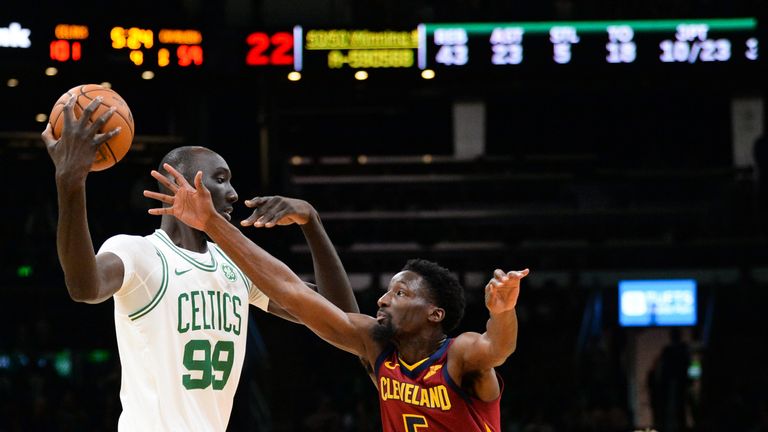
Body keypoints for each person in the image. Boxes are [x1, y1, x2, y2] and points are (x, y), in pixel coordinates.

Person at [42, 95, 358, 431]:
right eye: (220, 179)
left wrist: (311, 222)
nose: (234, 193)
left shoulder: (236, 266)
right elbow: (83, 288)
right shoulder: (139, 253)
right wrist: (70, 184)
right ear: (177, 182)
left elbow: (342, 318)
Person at [145, 163, 529, 432]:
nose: (381, 300)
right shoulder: (377, 348)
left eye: (399, 292)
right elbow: (293, 292)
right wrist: (213, 223)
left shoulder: (459, 354)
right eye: (386, 291)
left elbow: (497, 348)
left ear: (434, 314)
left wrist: (503, 311)